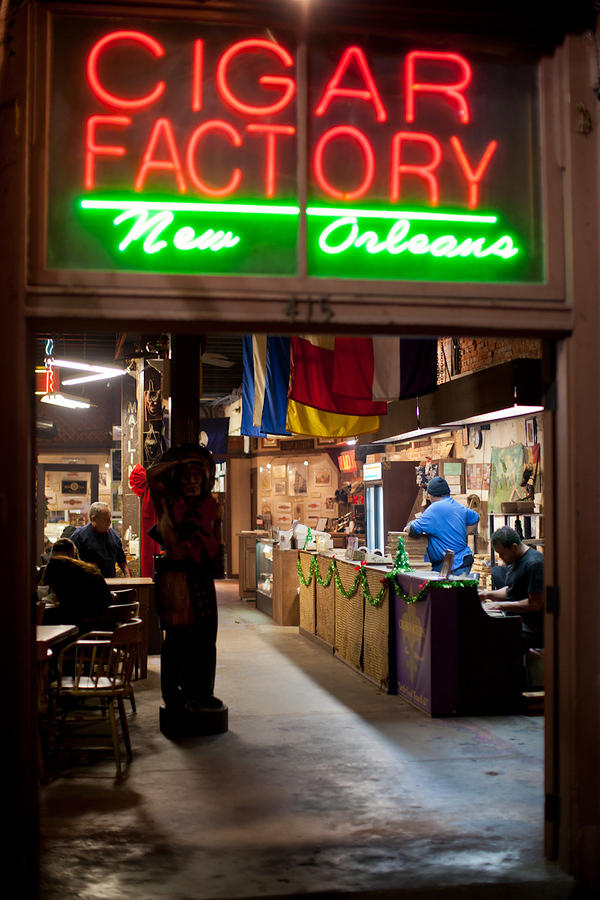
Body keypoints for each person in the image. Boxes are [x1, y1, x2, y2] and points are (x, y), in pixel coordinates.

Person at [146, 445, 224, 715]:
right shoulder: (167, 504)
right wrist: (182, 460)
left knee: (206, 637)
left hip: (200, 576)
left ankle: (202, 692)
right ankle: (173, 696)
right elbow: (152, 475)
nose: (192, 481)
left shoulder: (210, 507)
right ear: (177, 479)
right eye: (186, 475)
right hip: (177, 577)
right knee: (177, 638)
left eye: (196, 475)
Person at [478, 525, 544, 651]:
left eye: (502, 554)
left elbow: (535, 603)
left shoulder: (534, 564)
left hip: (530, 629)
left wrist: (500, 605)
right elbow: (511, 589)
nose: (501, 558)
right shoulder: (514, 560)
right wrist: (487, 595)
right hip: (515, 621)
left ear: (514, 547)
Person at [405, 475, 479, 576]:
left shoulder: (434, 509)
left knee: (447, 592)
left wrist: (407, 527)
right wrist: (463, 533)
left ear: (430, 495)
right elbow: (475, 518)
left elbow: (413, 529)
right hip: (463, 561)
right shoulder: (458, 506)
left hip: (453, 566)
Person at [41, 537, 113, 631]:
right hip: (104, 628)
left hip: (85, 629)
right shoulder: (86, 569)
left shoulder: (56, 567)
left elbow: (67, 606)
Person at [71, 501, 131, 578]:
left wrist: (127, 575)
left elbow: (121, 559)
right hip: (87, 585)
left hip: (110, 583)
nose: (109, 522)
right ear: (93, 519)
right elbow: (71, 563)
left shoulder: (114, 535)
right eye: (105, 519)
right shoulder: (79, 536)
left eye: (110, 518)